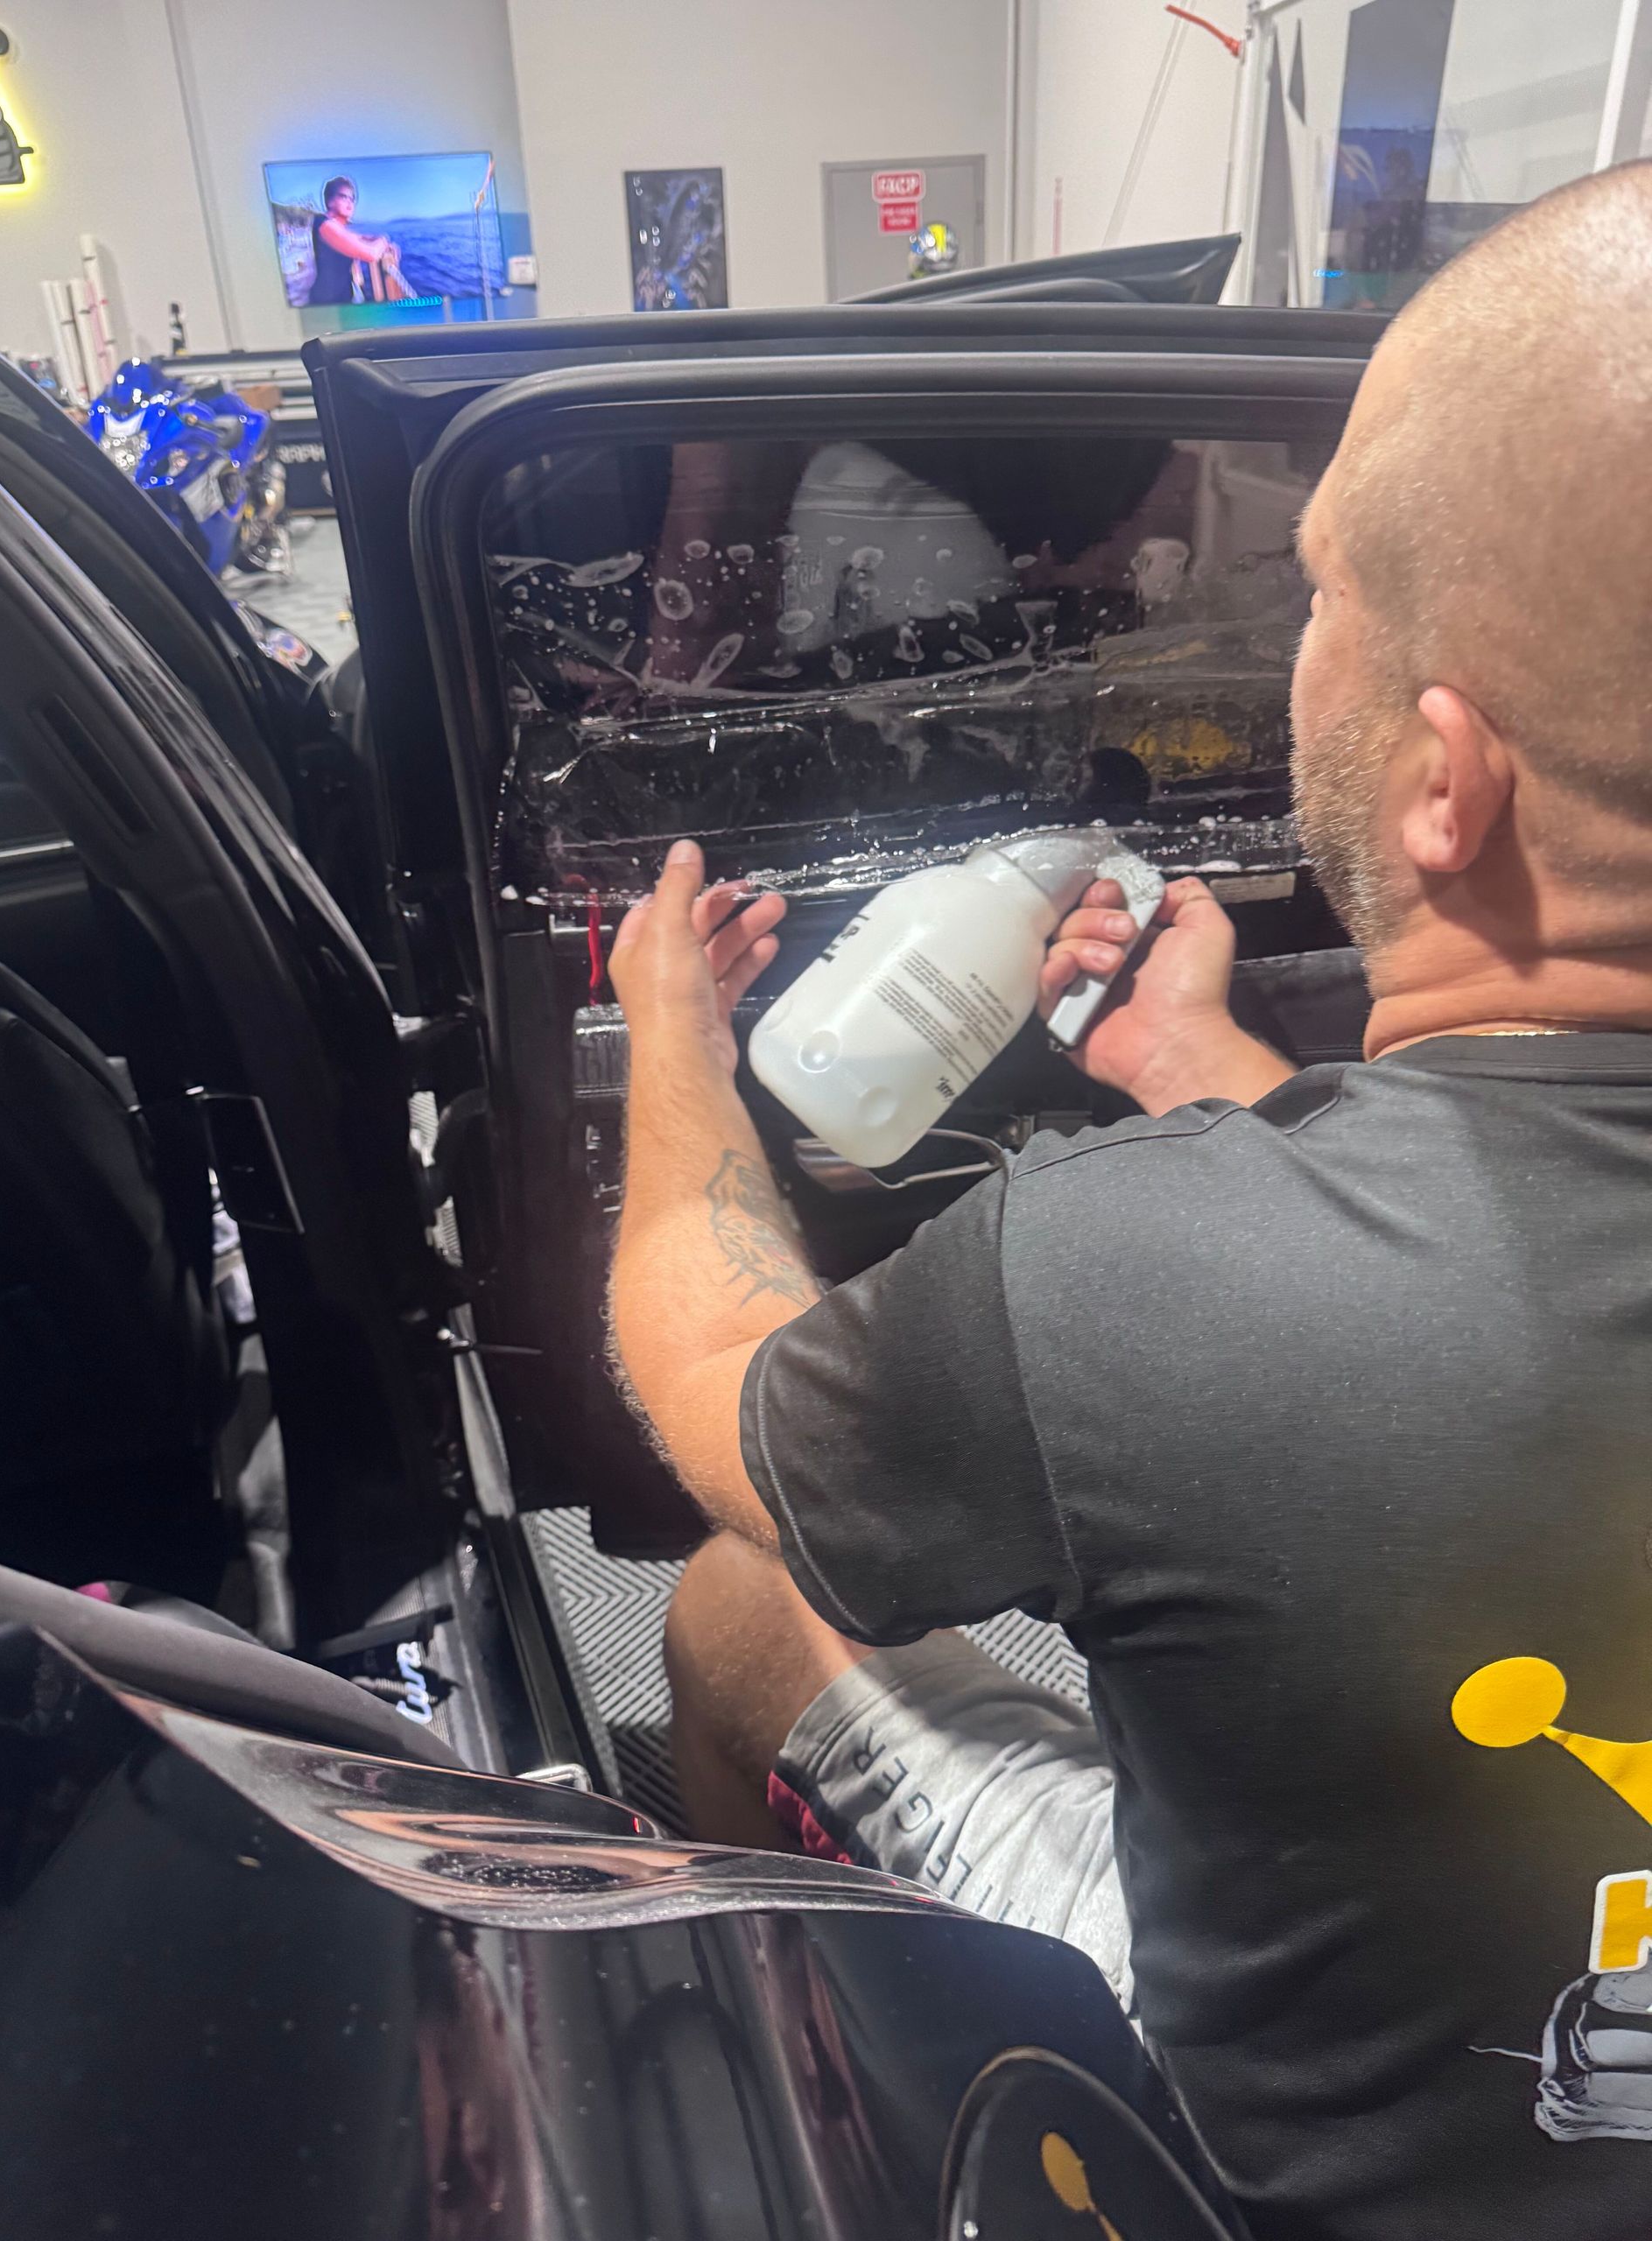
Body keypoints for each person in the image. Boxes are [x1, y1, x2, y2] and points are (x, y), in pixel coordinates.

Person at [606, 160, 1652, 2241]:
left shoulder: (1127, 1274)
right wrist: (1211, 1075)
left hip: (1284, 2170)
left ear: (1447, 776)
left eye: (1331, 584)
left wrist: (665, 1036)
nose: (1290, 642)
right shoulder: (1220, 1243)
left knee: (738, 1600)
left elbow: (710, 1355)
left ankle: (856, 2116)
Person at [308, 177, 390, 308]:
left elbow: (359, 238)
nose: (350, 203)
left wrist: (381, 242)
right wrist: (384, 240)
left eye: (352, 199)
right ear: (330, 201)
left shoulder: (338, 228)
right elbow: (371, 254)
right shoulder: (326, 225)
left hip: (342, 298)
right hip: (329, 306)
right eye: (343, 197)